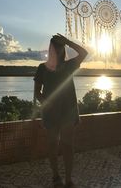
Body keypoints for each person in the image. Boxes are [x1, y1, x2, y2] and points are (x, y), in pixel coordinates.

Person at [34, 33, 88, 188]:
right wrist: (46, 102)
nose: (57, 50)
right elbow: (37, 92)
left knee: (67, 146)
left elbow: (85, 53)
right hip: (51, 113)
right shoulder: (42, 68)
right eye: (55, 47)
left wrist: (68, 41)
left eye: (60, 47)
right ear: (51, 49)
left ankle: (69, 179)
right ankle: (56, 175)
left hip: (68, 111)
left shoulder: (69, 65)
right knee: (52, 144)